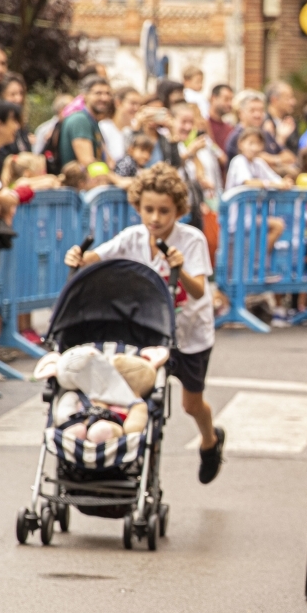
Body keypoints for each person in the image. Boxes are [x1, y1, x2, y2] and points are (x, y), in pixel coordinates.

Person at [65, 163, 224, 483]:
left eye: (164, 211)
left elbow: (198, 290)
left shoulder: (190, 239)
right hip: (150, 333)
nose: (155, 218)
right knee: (136, 393)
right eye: (148, 209)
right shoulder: (133, 237)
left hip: (190, 333)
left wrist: (180, 266)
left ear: (178, 211)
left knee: (191, 403)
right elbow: (97, 257)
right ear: (137, 207)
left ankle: (210, 441)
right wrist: (79, 257)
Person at [55, 76, 111, 169]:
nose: (104, 98)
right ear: (84, 95)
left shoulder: (92, 120)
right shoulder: (80, 120)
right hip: (76, 182)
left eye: (107, 93)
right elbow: (87, 162)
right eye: (98, 93)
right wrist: (116, 179)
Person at [264, 81, 300, 155]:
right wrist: (280, 139)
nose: (293, 102)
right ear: (274, 100)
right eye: (288, 98)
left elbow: (295, 153)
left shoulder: (291, 123)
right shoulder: (263, 122)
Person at [206, 84, 236, 153]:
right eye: (226, 99)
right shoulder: (202, 124)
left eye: (231, 99)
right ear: (213, 98)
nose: (229, 104)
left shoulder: (229, 129)